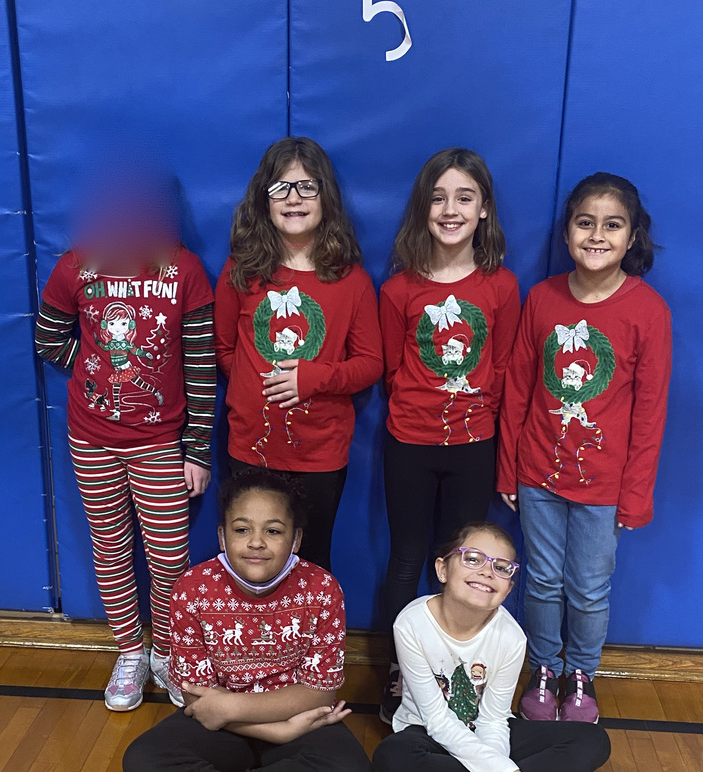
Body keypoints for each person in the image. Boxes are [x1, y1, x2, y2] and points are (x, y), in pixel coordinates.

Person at [122, 468, 382, 772]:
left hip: (295, 720)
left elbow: (319, 690)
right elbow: (198, 700)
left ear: (295, 539)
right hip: (230, 729)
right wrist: (274, 731)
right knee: (143, 760)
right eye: (242, 530)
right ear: (222, 535)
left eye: (274, 531)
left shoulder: (323, 589)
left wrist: (238, 710)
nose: (256, 543)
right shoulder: (191, 589)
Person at [35, 170, 215, 712]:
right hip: (92, 439)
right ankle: (131, 652)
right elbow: (48, 337)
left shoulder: (185, 270)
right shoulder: (78, 264)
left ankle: (165, 650)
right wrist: (90, 370)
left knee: (168, 558)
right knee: (110, 549)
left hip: (160, 440)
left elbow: (202, 365)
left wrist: (197, 449)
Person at [497, 172, 672, 723]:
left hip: (604, 485)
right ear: (568, 231)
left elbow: (649, 412)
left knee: (589, 588)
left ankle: (581, 675)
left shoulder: (648, 311)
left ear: (633, 236)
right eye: (585, 222)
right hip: (537, 476)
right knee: (543, 580)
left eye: (612, 225)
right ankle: (544, 667)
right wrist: (508, 472)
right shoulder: (542, 299)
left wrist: (635, 495)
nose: (597, 235)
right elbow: (518, 389)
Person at [379, 149, 520, 723]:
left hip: (473, 447)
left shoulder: (502, 287)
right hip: (409, 443)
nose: (450, 209)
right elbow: (393, 370)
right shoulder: (398, 290)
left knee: (465, 559)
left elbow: (506, 368)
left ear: (484, 209)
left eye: (464, 197)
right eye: (438, 198)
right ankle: (399, 672)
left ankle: (458, 673)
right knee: (407, 557)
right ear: (423, 209)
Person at [372, 523, 611, 772]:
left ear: (509, 587)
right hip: (427, 734)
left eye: (501, 568)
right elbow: (438, 721)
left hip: (487, 735)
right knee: (390, 759)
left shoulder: (511, 638)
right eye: (472, 559)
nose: (487, 572)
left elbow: (494, 720)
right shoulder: (411, 624)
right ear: (442, 569)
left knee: (594, 741)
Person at [214, 137, 383, 571]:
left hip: (319, 453)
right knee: (250, 561)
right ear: (263, 199)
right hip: (251, 446)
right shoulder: (241, 271)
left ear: (325, 196)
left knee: (311, 559)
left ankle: (308, 641)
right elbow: (226, 349)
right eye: (281, 188)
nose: (293, 199)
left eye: (307, 187)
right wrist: (255, 384)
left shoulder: (352, 281)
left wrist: (312, 378)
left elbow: (370, 363)